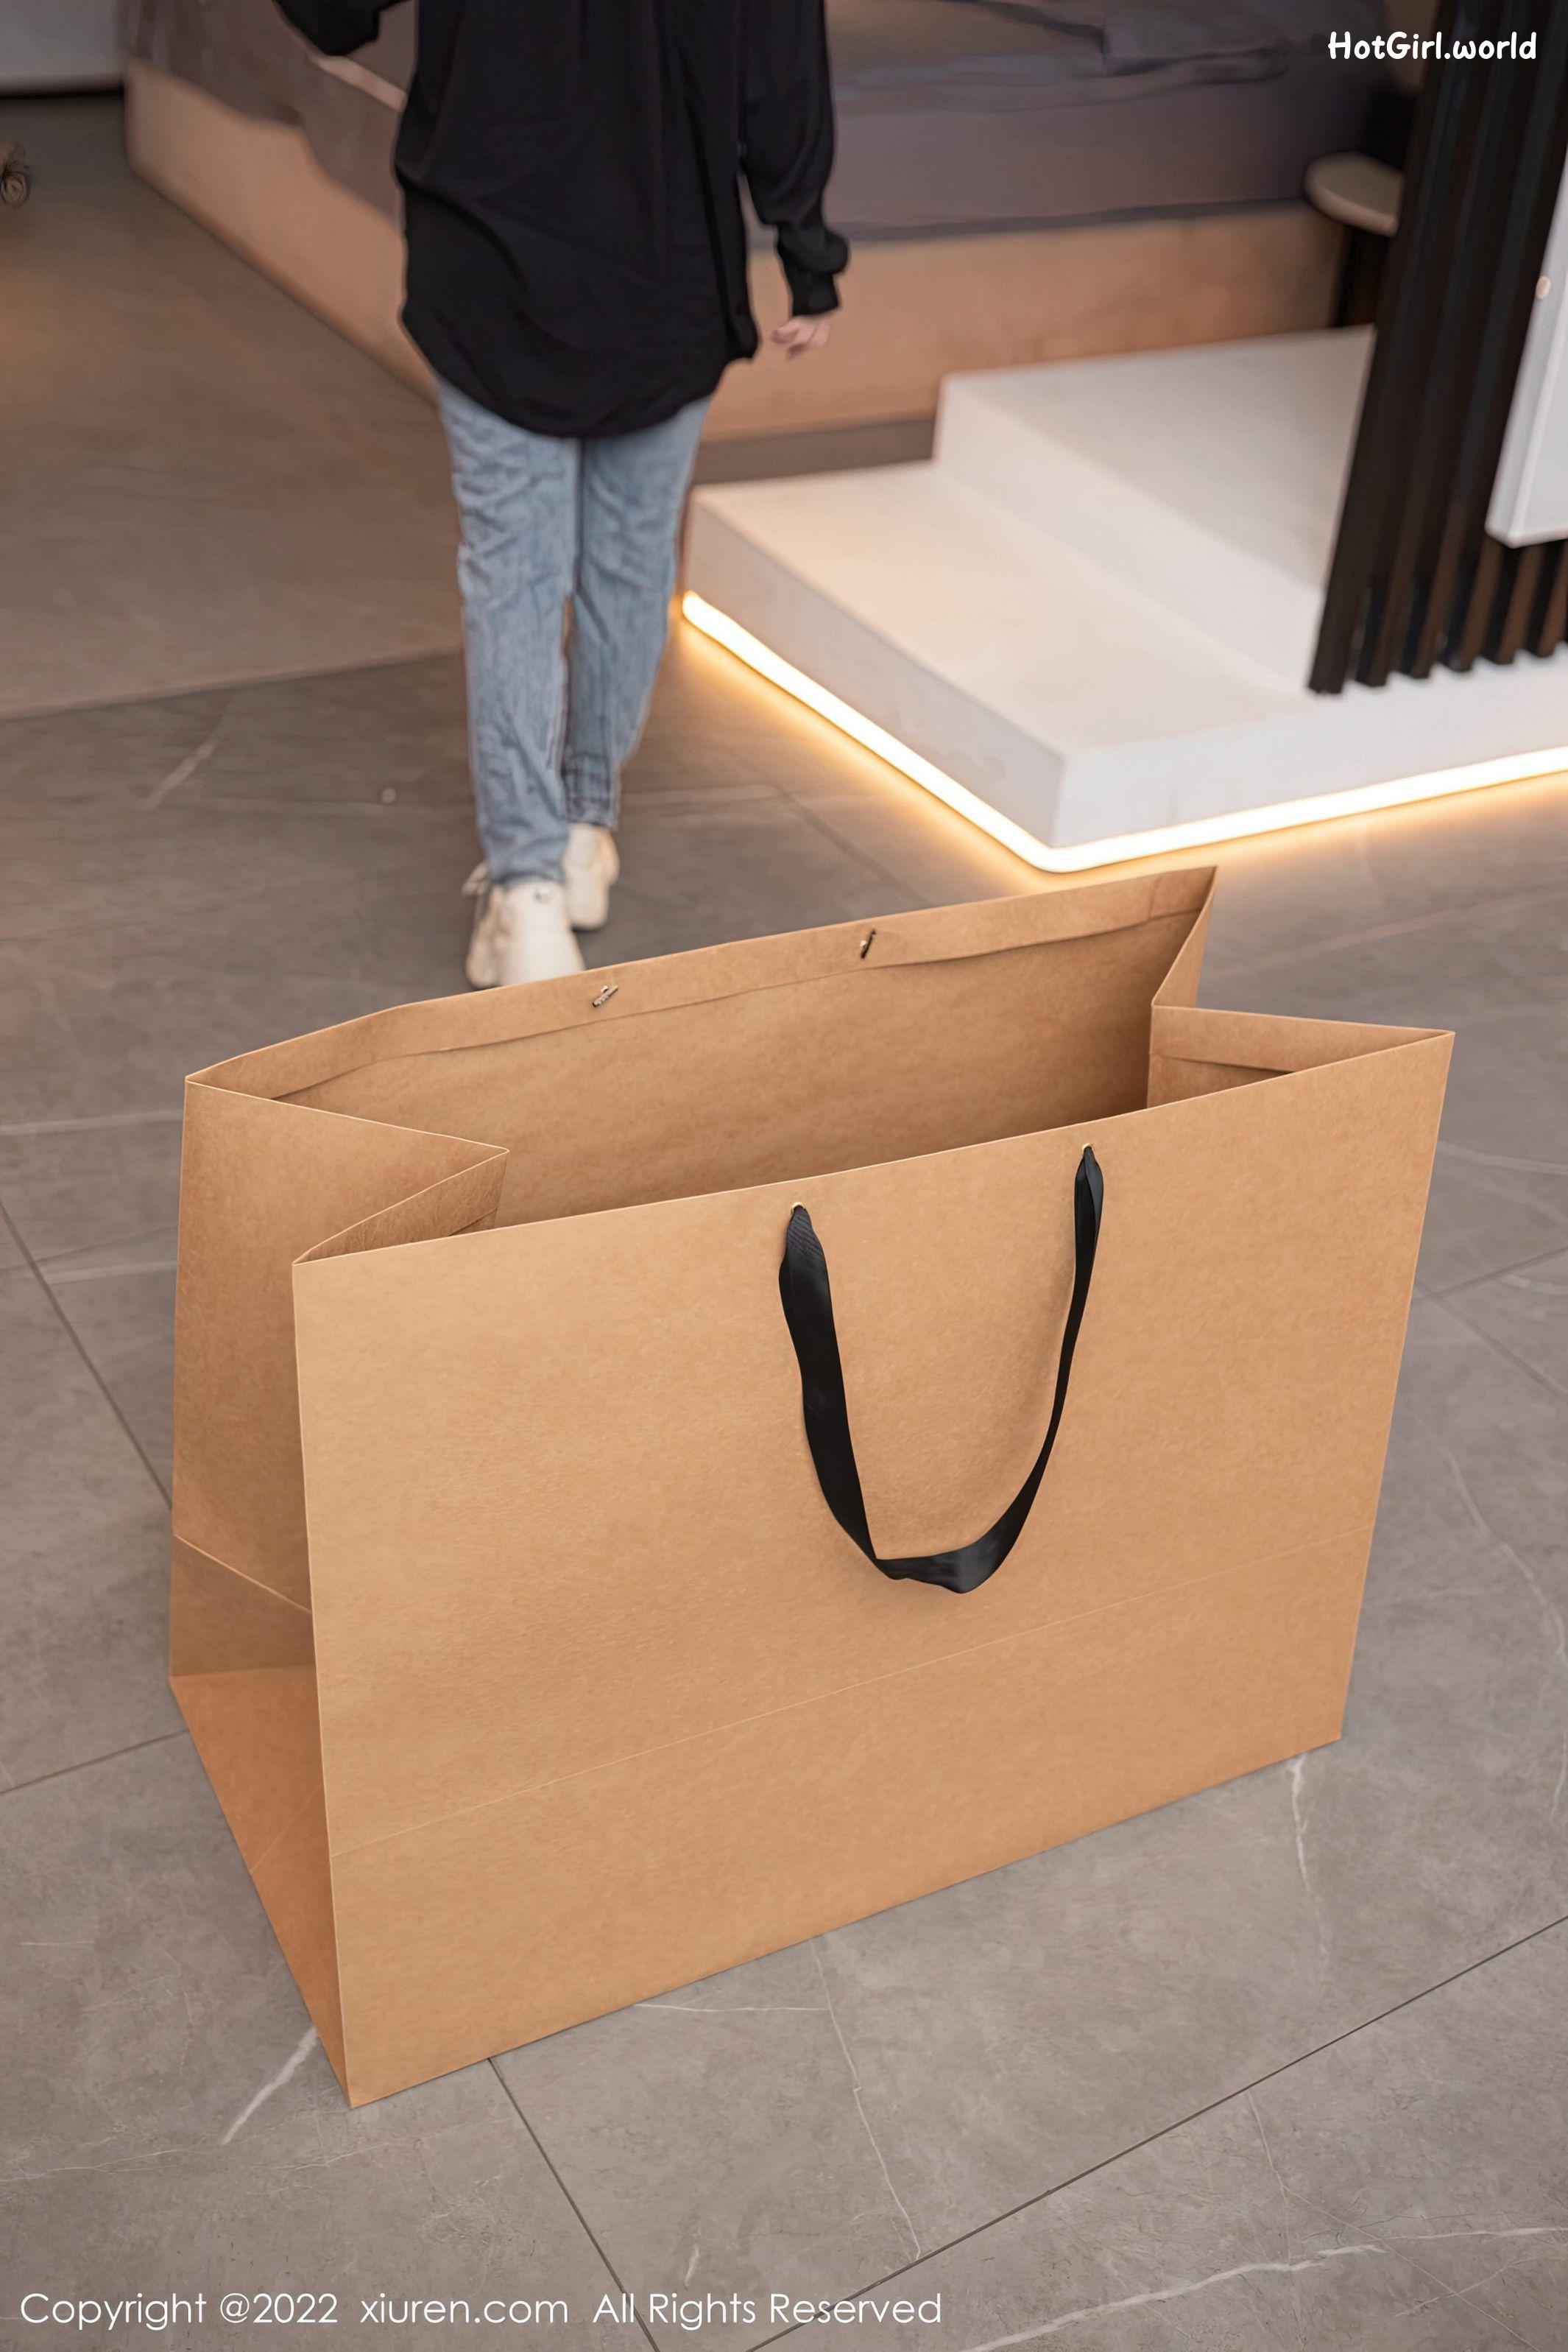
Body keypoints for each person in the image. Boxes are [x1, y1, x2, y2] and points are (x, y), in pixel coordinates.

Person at [275, 0, 848, 982]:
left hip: (490, 261)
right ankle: (582, 832)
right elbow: (780, 61)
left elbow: (336, 17)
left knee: (516, 577)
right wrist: (806, 246)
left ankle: (528, 890)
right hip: (668, 270)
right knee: (630, 566)